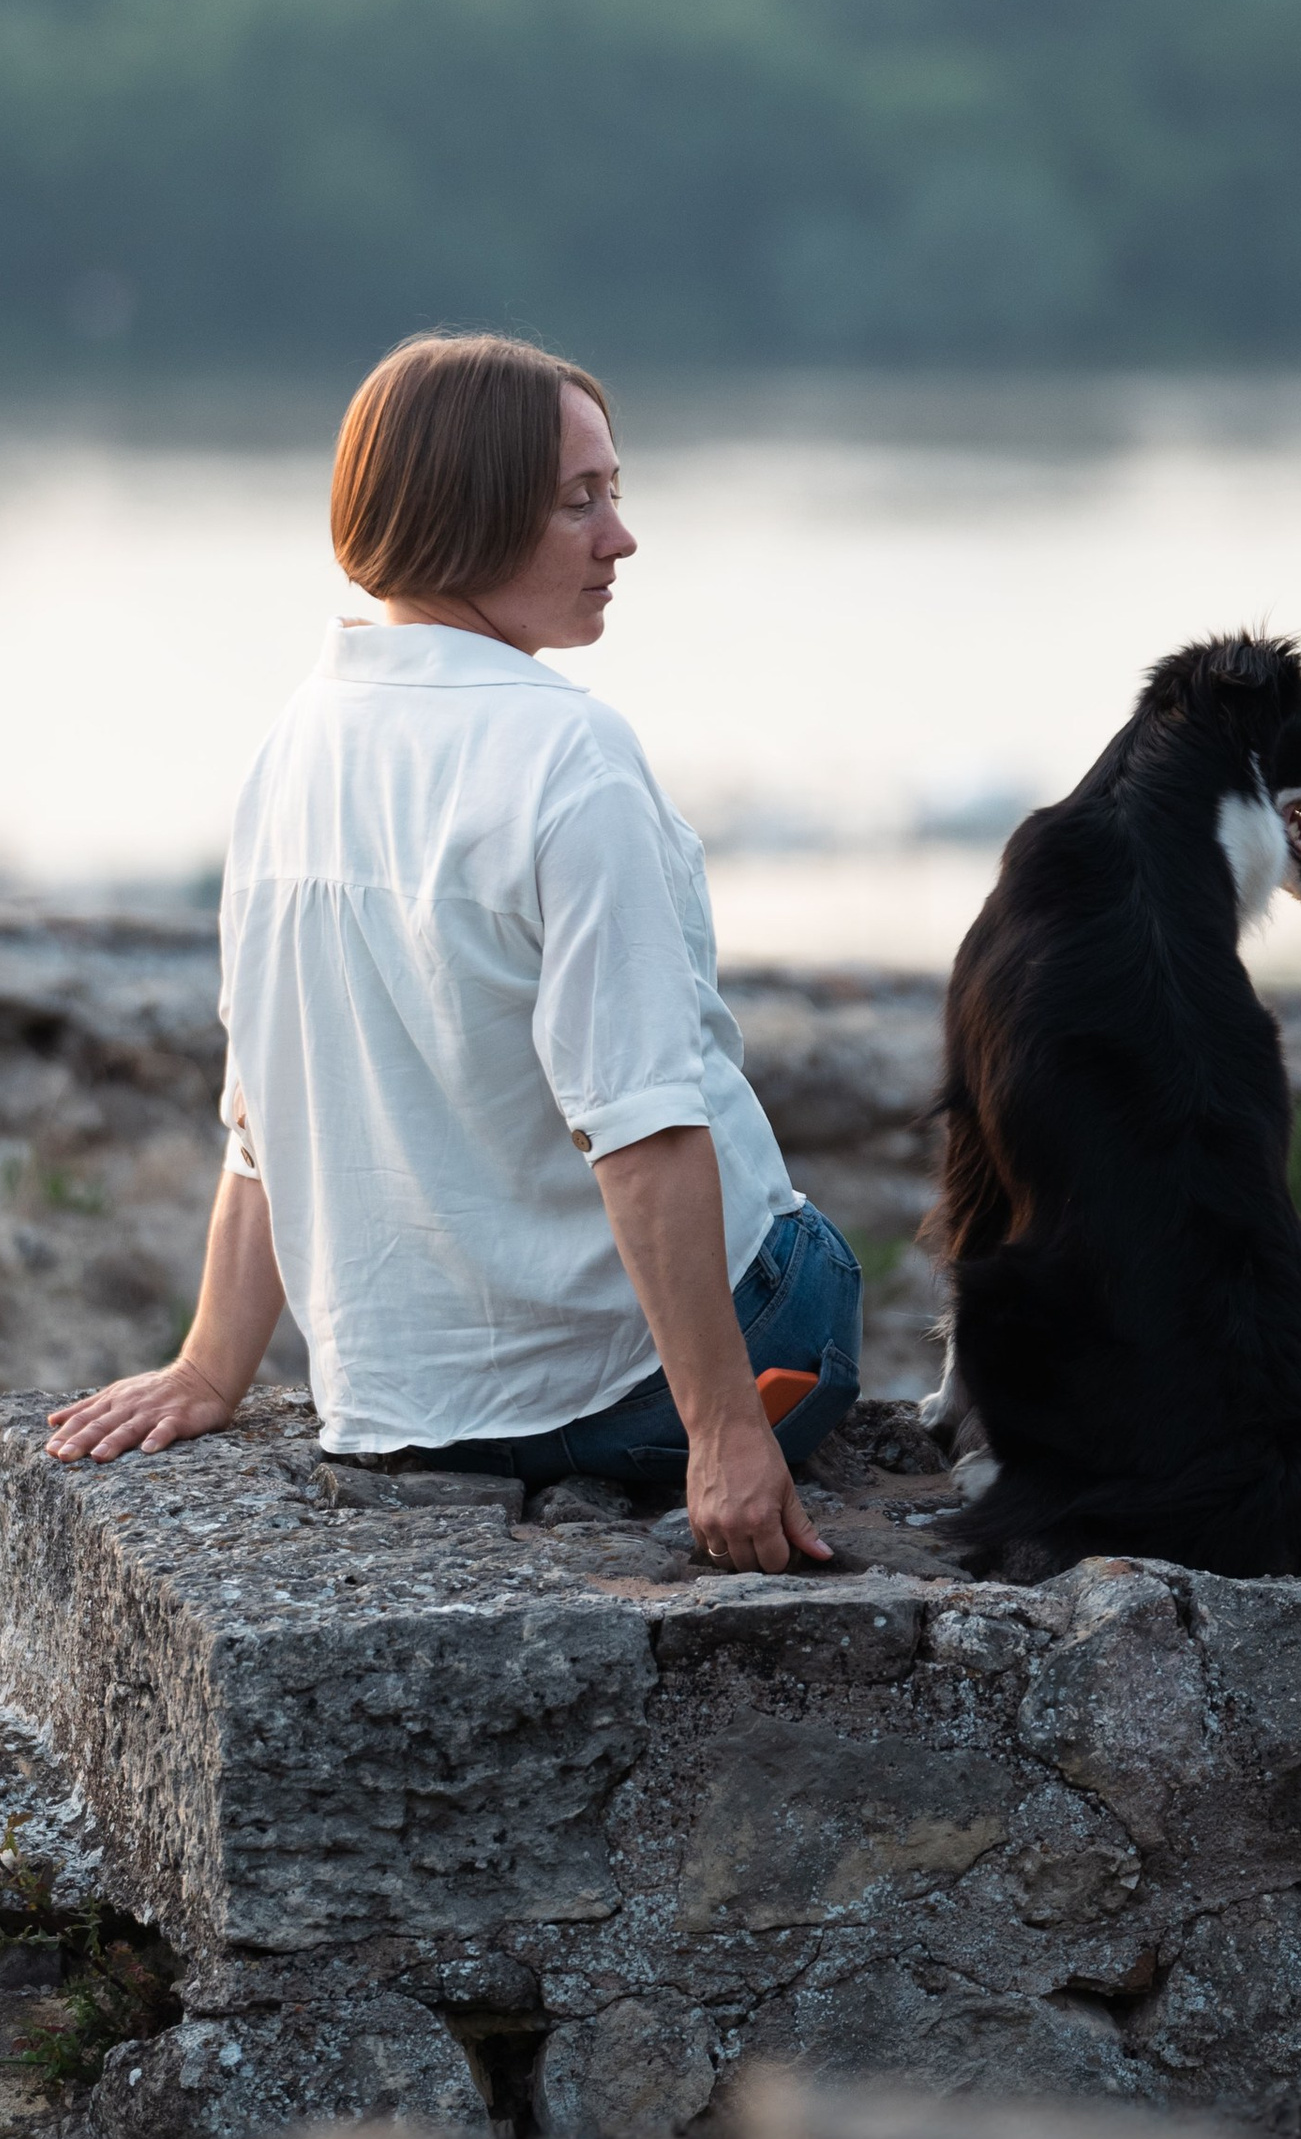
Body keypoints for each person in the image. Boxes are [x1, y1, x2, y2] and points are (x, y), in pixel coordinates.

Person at [44, 330, 860, 1574]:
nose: (620, 540)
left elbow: (269, 1100)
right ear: (467, 514)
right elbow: (642, 1125)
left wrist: (213, 1366)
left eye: (614, 494)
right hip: (646, 1402)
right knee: (820, 1259)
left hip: (410, 1421)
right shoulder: (573, 757)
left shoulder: (290, 747)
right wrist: (724, 1434)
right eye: (578, 503)